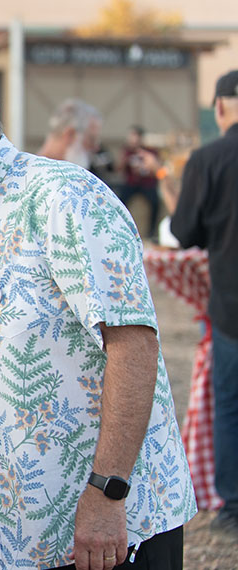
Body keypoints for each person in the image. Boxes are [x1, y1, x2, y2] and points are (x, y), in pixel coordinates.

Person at [0, 38, 195, 569]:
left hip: (116, 530)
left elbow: (133, 345)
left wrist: (107, 492)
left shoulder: (64, 198)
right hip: (20, 539)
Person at [171, 69, 238, 537]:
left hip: (232, 306)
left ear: (220, 107)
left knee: (230, 405)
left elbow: (184, 232)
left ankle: (233, 506)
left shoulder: (211, 158)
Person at [117, 126, 161, 239]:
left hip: (147, 184)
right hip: (131, 184)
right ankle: (119, 228)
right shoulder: (127, 152)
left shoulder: (150, 152)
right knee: (120, 202)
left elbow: (157, 170)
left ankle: (151, 232)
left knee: (155, 202)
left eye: (136, 136)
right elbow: (119, 169)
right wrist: (124, 160)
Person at [37, 98, 103, 170]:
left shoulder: (31, 171)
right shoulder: (39, 174)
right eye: (91, 139)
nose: (96, 147)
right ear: (70, 134)